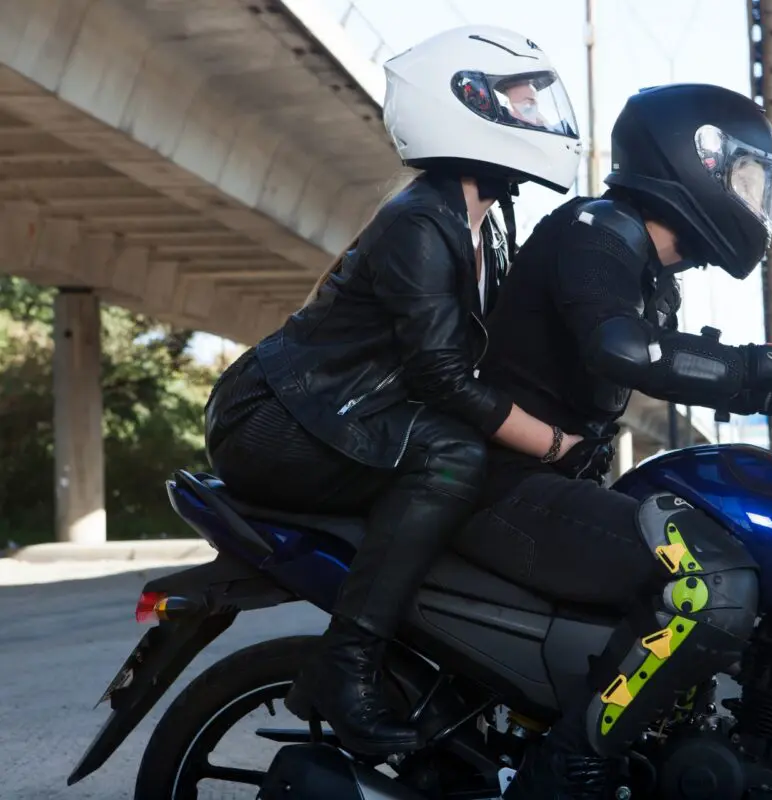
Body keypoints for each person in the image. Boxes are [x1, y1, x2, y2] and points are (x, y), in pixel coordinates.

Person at [455, 83, 772, 798]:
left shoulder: (648, 271)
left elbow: (667, 356)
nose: (754, 201)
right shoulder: (595, 230)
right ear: (693, 159)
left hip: (549, 486)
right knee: (711, 580)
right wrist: (764, 371)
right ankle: (569, 766)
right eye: (746, 180)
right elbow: (626, 348)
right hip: (505, 489)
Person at [201, 26, 583, 756]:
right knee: (453, 455)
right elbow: (443, 377)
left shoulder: (486, 225)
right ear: (467, 105)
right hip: (274, 423)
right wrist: (553, 442)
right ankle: (344, 668)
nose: (538, 113)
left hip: (340, 420)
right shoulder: (420, 223)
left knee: (481, 466)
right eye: (521, 99)